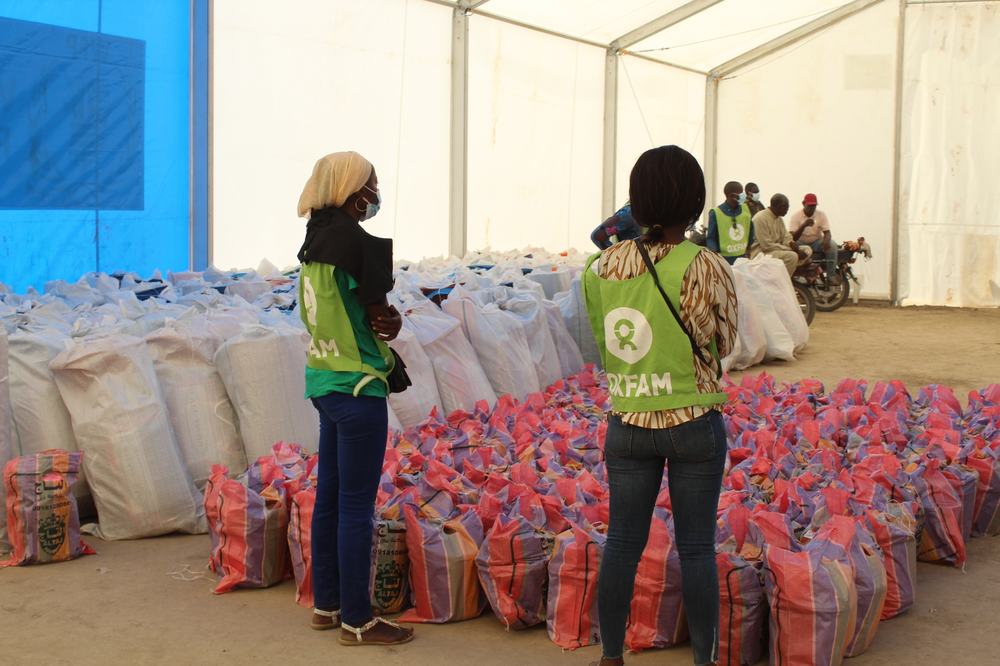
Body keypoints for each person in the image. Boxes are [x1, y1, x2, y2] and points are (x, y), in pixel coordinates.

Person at [581, 145, 737, 666]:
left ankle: (610, 656)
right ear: (696, 202)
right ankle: (704, 661)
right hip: (694, 422)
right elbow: (725, 342)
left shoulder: (598, 267)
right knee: (695, 548)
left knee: (622, 539)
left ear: (635, 201)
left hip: (626, 422)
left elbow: (604, 346)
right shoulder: (707, 264)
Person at [296, 151, 414, 647]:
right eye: (371, 186)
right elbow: (378, 317)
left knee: (329, 498)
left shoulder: (313, 242)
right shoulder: (355, 245)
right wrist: (393, 322)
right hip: (360, 386)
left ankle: (326, 605)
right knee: (356, 507)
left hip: (324, 383)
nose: (375, 196)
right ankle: (359, 621)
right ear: (352, 191)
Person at [749, 193, 812, 276]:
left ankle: (782, 272)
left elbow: (786, 237)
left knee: (807, 250)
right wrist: (791, 249)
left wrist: (792, 244)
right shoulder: (760, 218)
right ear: (779, 207)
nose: (787, 211)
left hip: (775, 251)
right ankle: (783, 282)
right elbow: (766, 246)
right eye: (786, 208)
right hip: (761, 253)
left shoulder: (779, 219)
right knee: (792, 256)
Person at [788, 193, 840, 284]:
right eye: (810, 206)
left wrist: (826, 241)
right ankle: (793, 277)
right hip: (801, 242)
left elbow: (827, 232)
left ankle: (831, 276)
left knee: (832, 245)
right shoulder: (795, 216)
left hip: (816, 241)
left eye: (814, 206)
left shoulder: (821, 215)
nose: (812, 208)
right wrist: (803, 225)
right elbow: (792, 237)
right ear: (803, 204)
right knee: (789, 248)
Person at [706, 181, 755, 264]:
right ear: (732, 196)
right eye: (741, 193)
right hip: (724, 260)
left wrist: (749, 249)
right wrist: (715, 258)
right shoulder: (715, 213)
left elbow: (751, 230)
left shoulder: (746, 209)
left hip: (743, 258)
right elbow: (711, 238)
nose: (744, 196)